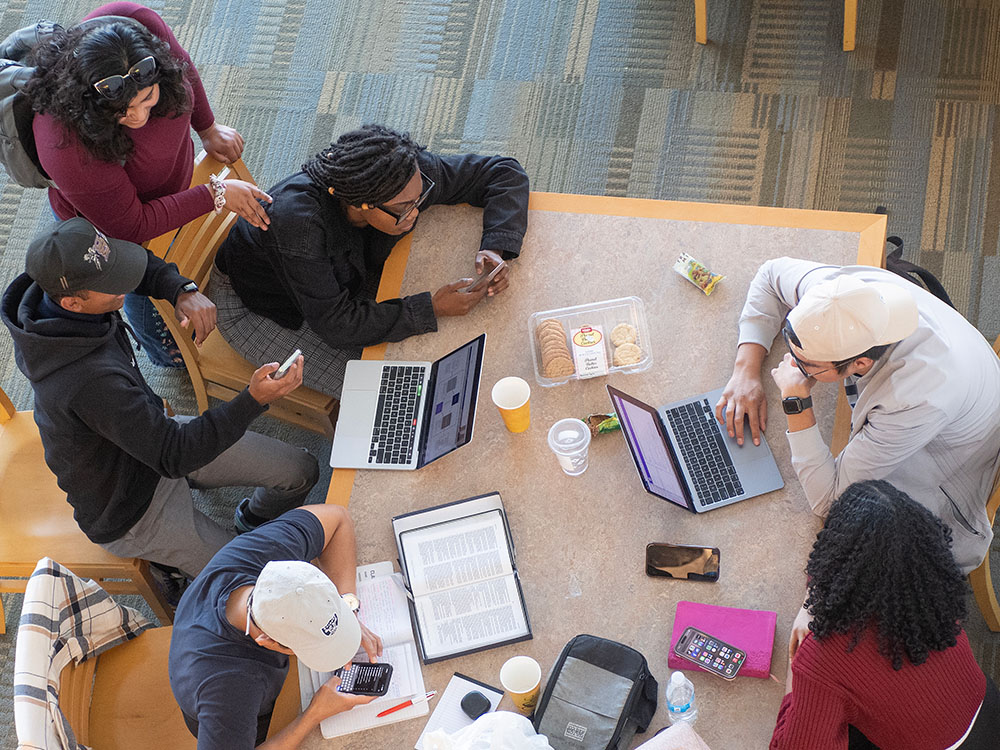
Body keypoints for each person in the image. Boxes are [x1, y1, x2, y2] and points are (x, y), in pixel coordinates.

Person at [0, 218, 319, 579]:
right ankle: (173, 571)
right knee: (256, 579)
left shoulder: (59, 286)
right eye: (113, 284)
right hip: (129, 506)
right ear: (74, 303)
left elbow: (141, 267)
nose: (125, 284)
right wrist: (252, 399)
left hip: (150, 433)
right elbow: (174, 456)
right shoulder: (87, 382)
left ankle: (251, 523)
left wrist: (181, 289)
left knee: (300, 471)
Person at [715, 258, 1000, 574]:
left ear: (860, 364)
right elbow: (770, 274)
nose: (788, 364)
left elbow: (831, 502)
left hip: (945, 464)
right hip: (966, 385)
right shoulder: (837, 296)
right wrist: (746, 369)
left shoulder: (914, 398)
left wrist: (796, 401)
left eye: (805, 364)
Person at [26, 2, 272, 366]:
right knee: (132, 277)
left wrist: (206, 127)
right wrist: (215, 194)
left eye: (147, 99)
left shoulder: (134, 25)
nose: (139, 116)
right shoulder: (66, 146)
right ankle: (162, 350)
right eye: (123, 112)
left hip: (166, 183)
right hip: (112, 222)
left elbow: (183, 69)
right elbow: (132, 225)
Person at [209, 123, 529, 397]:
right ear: (363, 205)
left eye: (420, 197)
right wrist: (431, 307)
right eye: (405, 208)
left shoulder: (399, 172)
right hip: (262, 308)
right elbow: (338, 325)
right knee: (391, 395)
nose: (416, 212)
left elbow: (502, 173)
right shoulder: (299, 226)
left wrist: (495, 247)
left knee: (439, 350)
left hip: (338, 281)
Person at [771, 480, 999, 750]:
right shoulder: (934, 592)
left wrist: (796, 671)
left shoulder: (823, 658)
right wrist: (810, 603)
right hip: (988, 714)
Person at [168, 504, 384, 749]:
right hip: (242, 726)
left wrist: (348, 608)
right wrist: (314, 714)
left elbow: (339, 517)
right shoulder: (231, 690)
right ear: (267, 642)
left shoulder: (269, 555)